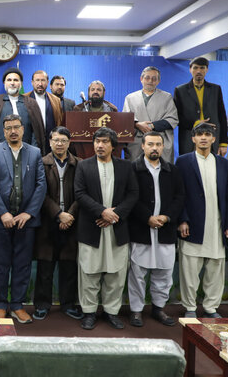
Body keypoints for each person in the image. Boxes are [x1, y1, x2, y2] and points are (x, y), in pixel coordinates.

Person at [0, 113, 46, 323]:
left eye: (16, 127)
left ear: (23, 129)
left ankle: (18, 305)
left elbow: (41, 185)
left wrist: (28, 213)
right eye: (8, 128)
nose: (13, 131)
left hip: (26, 220)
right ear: (3, 131)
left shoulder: (35, 152)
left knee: (23, 263)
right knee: (1, 263)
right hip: (2, 219)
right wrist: (3, 213)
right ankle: (1, 304)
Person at [74, 127, 138, 330]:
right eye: (97, 141)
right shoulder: (83, 166)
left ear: (113, 145)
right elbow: (80, 194)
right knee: (89, 273)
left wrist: (114, 215)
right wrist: (102, 212)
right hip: (92, 227)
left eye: (104, 142)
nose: (99, 145)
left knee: (115, 274)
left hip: (116, 228)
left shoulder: (125, 167)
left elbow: (133, 194)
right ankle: (89, 312)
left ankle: (111, 312)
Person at [176, 122, 228, 318]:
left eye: (207, 134)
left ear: (213, 138)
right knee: (190, 269)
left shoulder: (224, 164)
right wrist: (182, 219)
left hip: (217, 224)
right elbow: (179, 194)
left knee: (216, 269)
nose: (203, 137)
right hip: (192, 224)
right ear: (193, 138)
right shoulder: (183, 161)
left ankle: (211, 308)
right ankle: (190, 307)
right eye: (199, 134)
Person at [128, 132, 185, 327]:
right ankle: (136, 310)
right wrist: (147, 218)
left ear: (163, 147)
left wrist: (167, 217)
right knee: (137, 273)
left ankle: (159, 308)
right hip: (141, 228)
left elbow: (180, 197)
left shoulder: (172, 170)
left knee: (164, 272)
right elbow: (129, 198)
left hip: (165, 229)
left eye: (158, 144)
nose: (155, 148)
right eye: (150, 144)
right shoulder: (133, 169)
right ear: (142, 146)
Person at [33, 126, 83, 321]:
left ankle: (68, 304)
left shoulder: (78, 164)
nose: (59, 144)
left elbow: (82, 193)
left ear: (69, 143)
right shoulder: (40, 163)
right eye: (56, 140)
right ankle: (42, 305)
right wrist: (58, 214)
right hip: (48, 221)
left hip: (72, 221)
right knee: (45, 267)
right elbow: (39, 194)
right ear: (50, 142)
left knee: (69, 266)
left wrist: (69, 215)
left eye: (63, 140)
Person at [174, 57, 228, 156]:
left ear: (207, 70)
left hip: (212, 138)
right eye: (195, 68)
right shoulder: (180, 90)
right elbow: (177, 117)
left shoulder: (216, 89)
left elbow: (222, 116)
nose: (198, 71)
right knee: (189, 169)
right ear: (190, 70)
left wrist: (223, 143)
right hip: (189, 139)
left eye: (202, 68)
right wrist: (196, 123)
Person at [123, 66, 178, 162]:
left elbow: (172, 119)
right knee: (136, 171)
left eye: (154, 79)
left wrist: (151, 126)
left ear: (158, 81)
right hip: (138, 140)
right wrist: (137, 124)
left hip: (159, 139)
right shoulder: (130, 98)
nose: (150, 81)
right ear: (141, 79)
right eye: (147, 78)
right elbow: (126, 119)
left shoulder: (166, 97)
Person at [0, 67, 44, 149]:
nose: (12, 83)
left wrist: (31, 152)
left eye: (16, 80)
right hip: (0, 153)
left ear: (21, 83)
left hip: (26, 153)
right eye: (9, 80)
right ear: (4, 83)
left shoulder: (31, 103)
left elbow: (36, 133)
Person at [23, 70, 63, 153]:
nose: (40, 84)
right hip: (29, 144)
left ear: (48, 82)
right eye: (37, 80)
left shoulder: (56, 100)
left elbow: (59, 122)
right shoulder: (23, 98)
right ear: (32, 82)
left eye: (43, 80)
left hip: (51, 145)